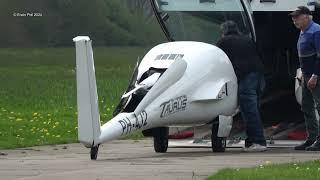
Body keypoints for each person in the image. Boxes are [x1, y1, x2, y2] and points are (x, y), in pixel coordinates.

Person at [216, 21, 267, 152]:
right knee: (253, 108)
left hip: (246, 76)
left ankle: (258, 141)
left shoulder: (224, 42)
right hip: (258, 74)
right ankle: (252, 141)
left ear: (224, 31)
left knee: (249, 109)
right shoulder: (247, 39)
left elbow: (217, 59)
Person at [289, 6, 320, 151]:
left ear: (307, 16)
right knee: (307, 106)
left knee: (319, 106)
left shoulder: (316, 31)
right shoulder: (303, 31)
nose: (294, 20)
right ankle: (312, 138)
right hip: (306, 75)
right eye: (293, 17)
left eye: (297, 17)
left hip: (315, 76)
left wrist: (315, 76)